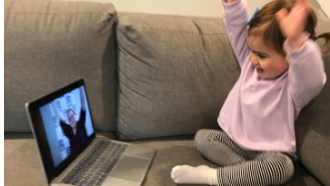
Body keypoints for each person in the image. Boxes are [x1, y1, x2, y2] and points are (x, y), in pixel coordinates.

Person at [171, 0, 330, 185]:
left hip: (270, 153)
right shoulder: (249, 64)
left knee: (282, 166)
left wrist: (296, 43)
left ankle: (212, 177)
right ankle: (244, 175)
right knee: (203, 137)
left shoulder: (294, 86)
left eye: (262, 55)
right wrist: (233, 4)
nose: (252, 59)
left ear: (290, 56)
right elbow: (237, 29)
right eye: (252, 51)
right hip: (238, 145)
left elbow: (312, 78)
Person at [52, 86, 88, 154]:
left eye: (72, 116)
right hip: (75, 157)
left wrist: (80, 87)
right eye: (69, 118)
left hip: (86, 152)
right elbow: (58, 116)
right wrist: (52, 101)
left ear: (74, 115)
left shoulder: (81, 123)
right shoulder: (67, 130)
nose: (71, 119)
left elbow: (83, 104)